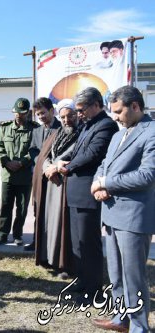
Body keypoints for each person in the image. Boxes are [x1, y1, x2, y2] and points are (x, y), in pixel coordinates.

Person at [91, 86, 154, 333]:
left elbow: (147, 175)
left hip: (134, 216)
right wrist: (98, 186)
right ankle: (121, 319)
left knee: (134, 277)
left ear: (135, 106)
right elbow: (104, 165)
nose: (115, 117)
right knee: (116, 274)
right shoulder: (119, 134)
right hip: (112, 212)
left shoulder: (151, 132)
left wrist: (106, 183)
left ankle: (139, 327)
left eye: (118, 111)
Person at [57, 87, 118, 300]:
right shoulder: (87, 125)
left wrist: (68, 167)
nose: (79, 114)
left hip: (87, 193)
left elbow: (93, 154)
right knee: (77, 242)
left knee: (89, 243)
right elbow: (76, 150)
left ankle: (93, 289)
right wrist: (64, 160)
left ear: (96, 105)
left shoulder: (106, 125)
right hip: (75, 192)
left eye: (82, 110)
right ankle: (82, 280)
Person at [33, 99, 79, 277]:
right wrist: (47, 168)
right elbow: (44, 155)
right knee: (49, 224)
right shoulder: (57, 132)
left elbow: (75, 156)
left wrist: (55, 167)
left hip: (65, 184)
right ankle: (49, 259)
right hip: (50, 183)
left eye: (70, 116)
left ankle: (64, 264)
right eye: (63, 117)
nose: (67, 120)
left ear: (77, 115)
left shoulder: (81, 133)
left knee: (62, 226)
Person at [0, 98, 39, 245]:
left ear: (28, 113)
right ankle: (2, 234)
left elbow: (35, 149)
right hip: (8, 174)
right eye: (16, 112)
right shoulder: (5, 128)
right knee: (6, 205)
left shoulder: (34, 129)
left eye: (22, 113)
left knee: (22, 207)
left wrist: (21, 162)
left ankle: (18, 234)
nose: (19, 115)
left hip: (24, 175)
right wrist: (6, 161)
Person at [25, 97, 61, 251]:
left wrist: (50, 166)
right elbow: (32, 149)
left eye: (43, 113)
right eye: (38, 114)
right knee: (38, 210)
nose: (40, 117)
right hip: (39, 176)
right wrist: (41, 163)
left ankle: (53, 244)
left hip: (55, 176)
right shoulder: (37, 131)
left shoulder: (61, 128)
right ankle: (37, 241)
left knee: (54, 212)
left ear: (52, 111)